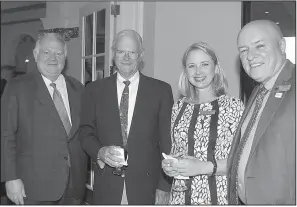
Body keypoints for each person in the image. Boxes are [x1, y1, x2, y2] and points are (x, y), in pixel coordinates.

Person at [80, 29, 174, 205]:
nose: (126, 57)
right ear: (113, 53)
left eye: (132, 52)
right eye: (121, 51)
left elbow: (167, 141)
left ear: (141, 55)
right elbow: (85, 131)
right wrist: (99, 151)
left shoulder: (161, 91)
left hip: (147, 187)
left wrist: (164, 186)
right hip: (106, 185)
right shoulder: (94, 90)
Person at [1, 33, 87, 205]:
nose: (53, 58)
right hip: (33, 187)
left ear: (65, 56)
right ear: (35, 55)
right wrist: (10, 178)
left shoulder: (78, 88)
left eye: (58, 53)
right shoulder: (17, 87)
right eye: (46, 52)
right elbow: (5, 134)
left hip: (74, 185)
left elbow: (85, 132)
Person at [162, 42, 244, 205]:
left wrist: (201, 167)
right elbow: (177, 150)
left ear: (216, 67)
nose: (198, 72)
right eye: (192, 66)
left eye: (204, 64)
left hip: (219, 198)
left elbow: (240, 161)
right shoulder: (179, 106)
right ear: (185, 71)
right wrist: (169, 165)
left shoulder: (234, 106)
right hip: (180, 198)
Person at [227, 20, 296, 205]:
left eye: (260, 46)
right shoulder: (260, 90)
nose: (250, 56)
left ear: (281, 46)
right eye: (243, 50)